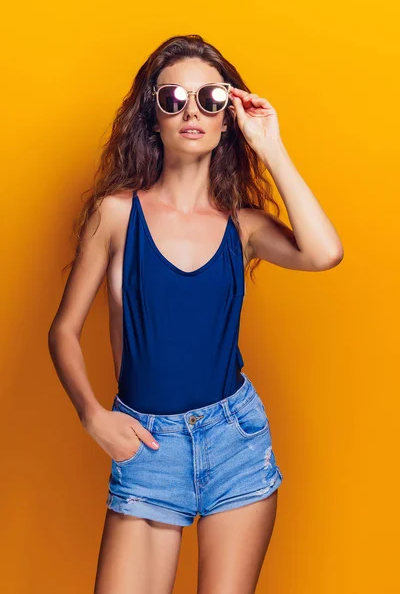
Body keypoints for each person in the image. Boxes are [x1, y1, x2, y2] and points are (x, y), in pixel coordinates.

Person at [48, 34, 343, 594]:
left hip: (236, 440)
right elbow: (63, 329)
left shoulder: (243, 226)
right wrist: (92, 414)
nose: (191, 111)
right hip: (149, 446)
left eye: (210, 99)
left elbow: (325, 253)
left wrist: (271, 146)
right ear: (151, 116)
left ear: (227, 117)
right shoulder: (114, 216)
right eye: (173, 97)